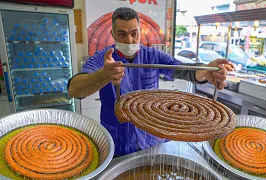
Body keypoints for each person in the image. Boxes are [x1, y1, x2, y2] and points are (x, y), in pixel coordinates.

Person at [68, 7, 230, 156]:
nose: (129, 40)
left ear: (140, 31)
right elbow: (74, 90)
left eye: (134, 33)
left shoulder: (153, 56)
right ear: (112, 34)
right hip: (117, 144)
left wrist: (205, 71)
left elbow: (181, 69)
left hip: (152, 141)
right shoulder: (102, 58)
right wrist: (103, 75)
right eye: (122, 34)